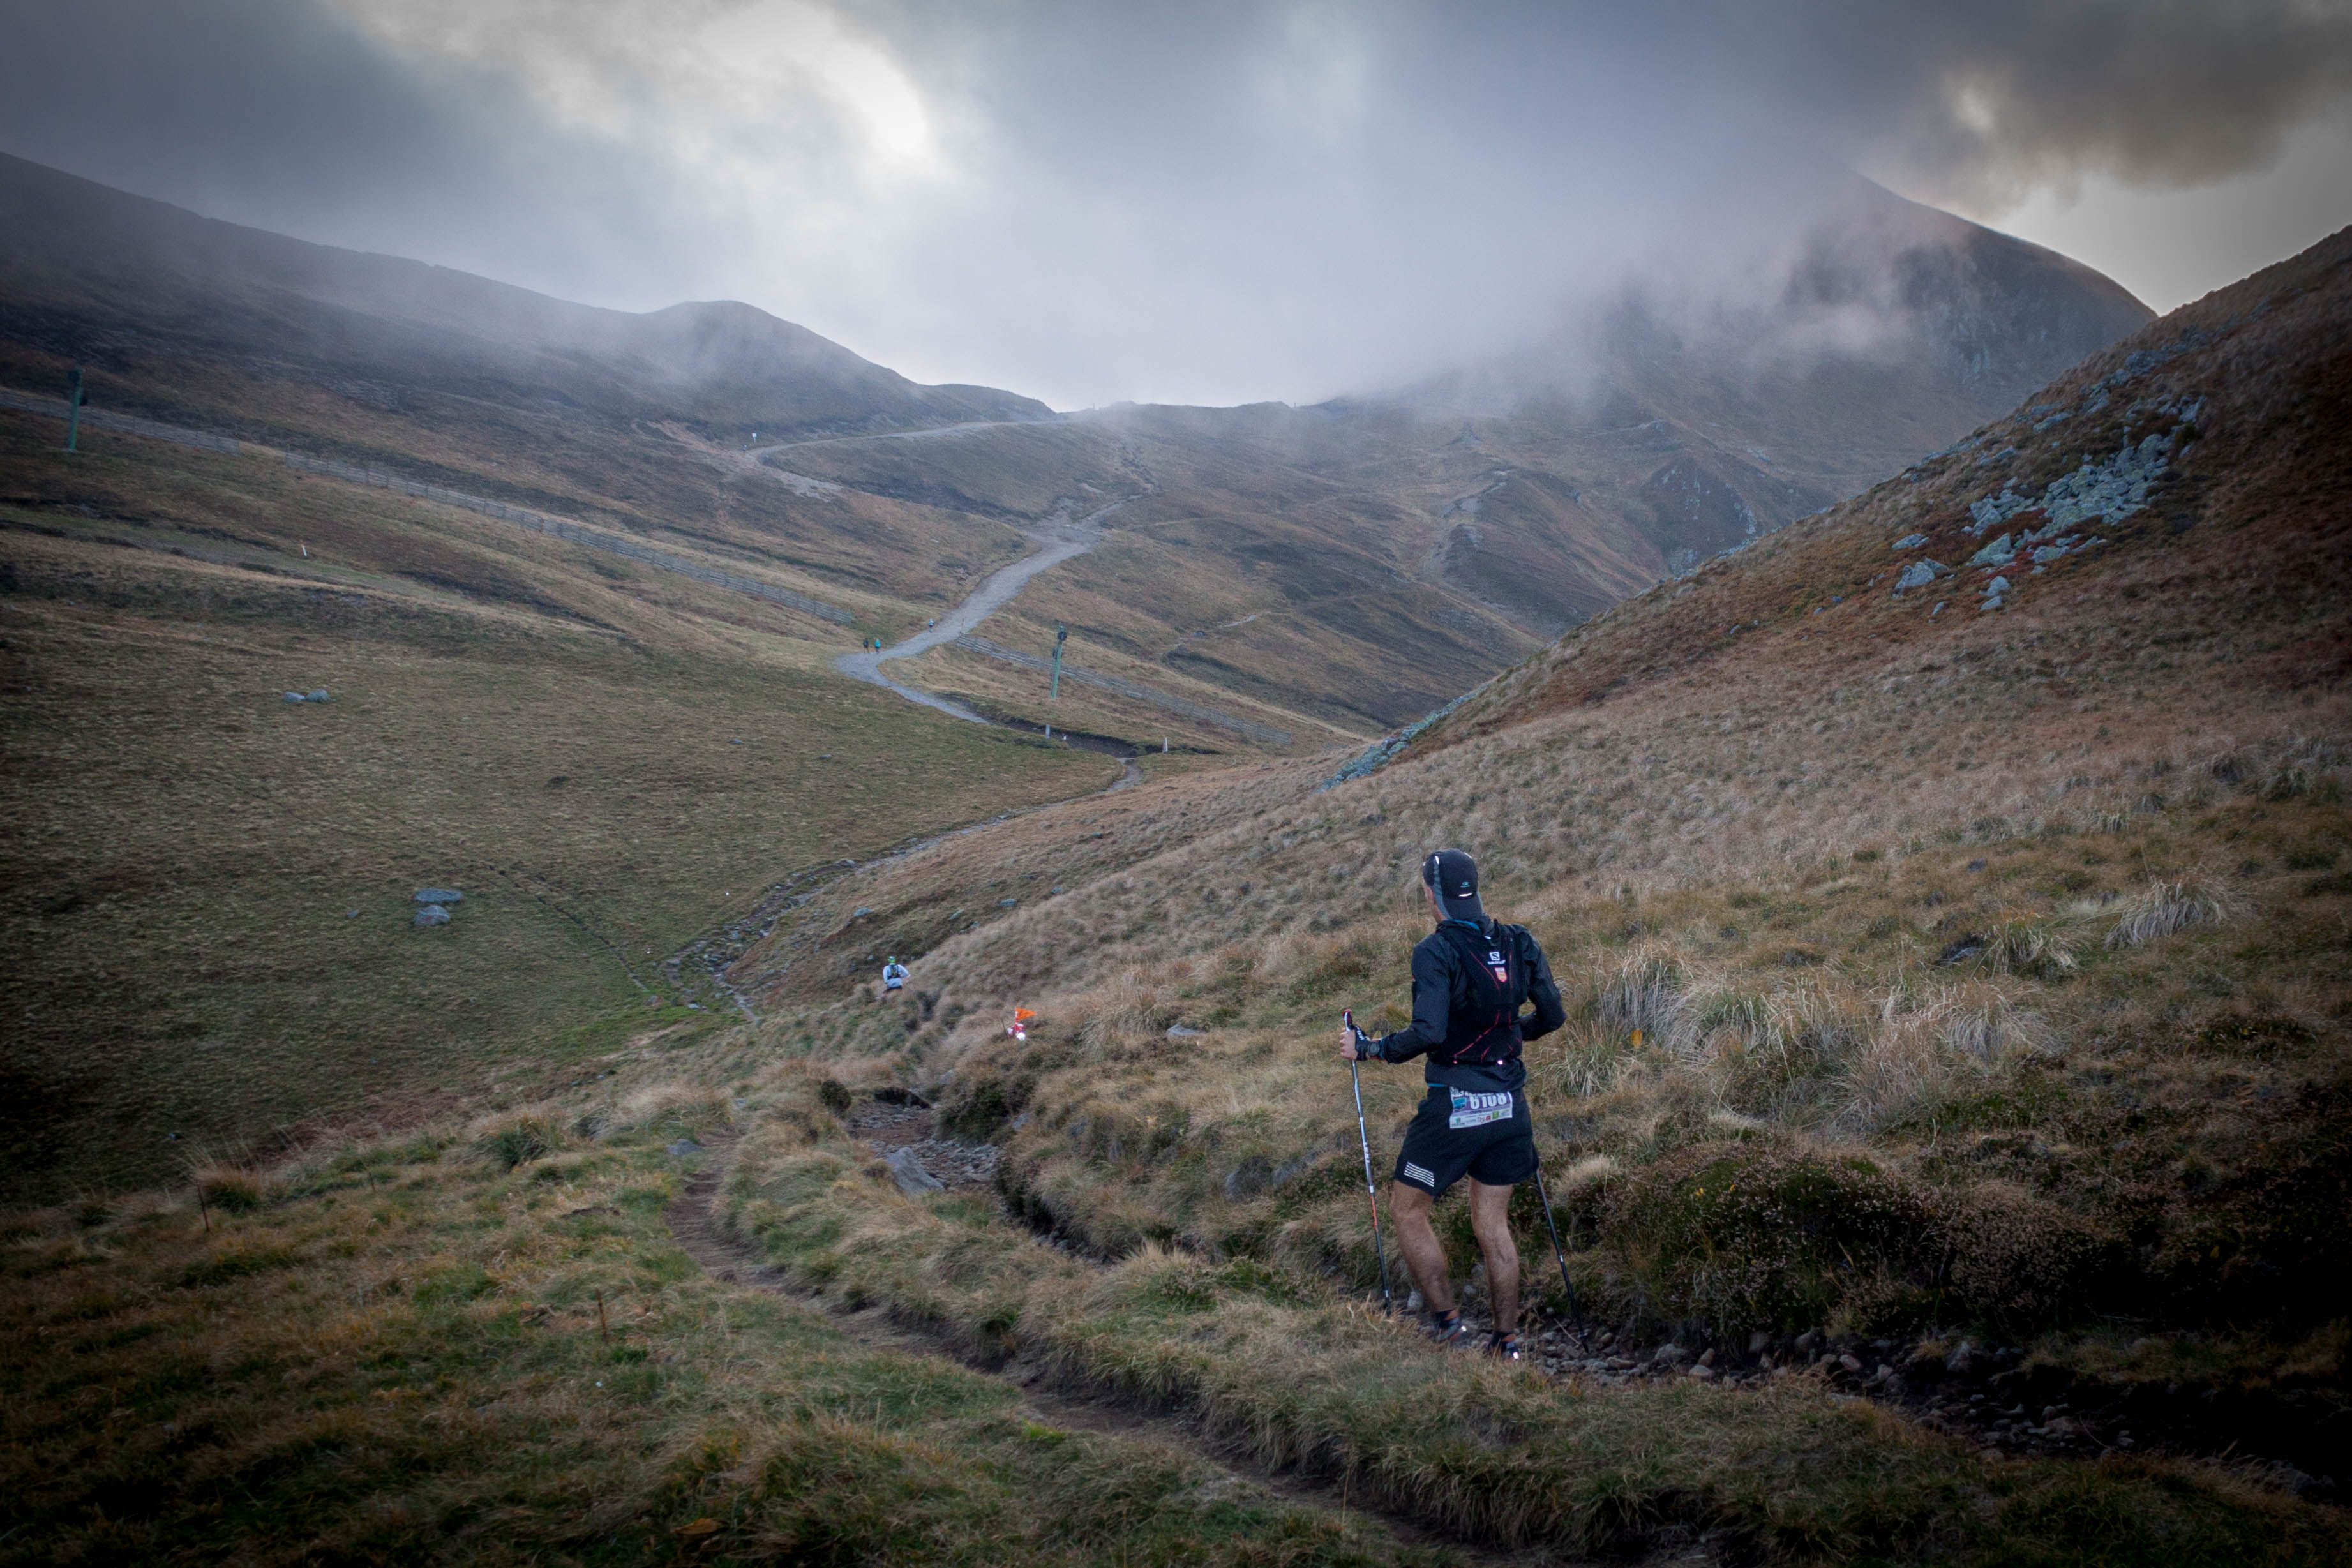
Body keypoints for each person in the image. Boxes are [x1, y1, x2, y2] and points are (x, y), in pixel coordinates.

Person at [1340, 848, 1565, 1359]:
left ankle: (1447, 1325)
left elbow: (1428, 1030)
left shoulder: (1434, 950)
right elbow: (1552, 1014)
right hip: (1510, 1105)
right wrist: (1511, 1036)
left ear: (1430, 893)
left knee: (1407, 1211)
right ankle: (1506, 1342)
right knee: (1492, 1225)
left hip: (1454, 1107)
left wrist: (1370, 1048)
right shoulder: (1517, 939)